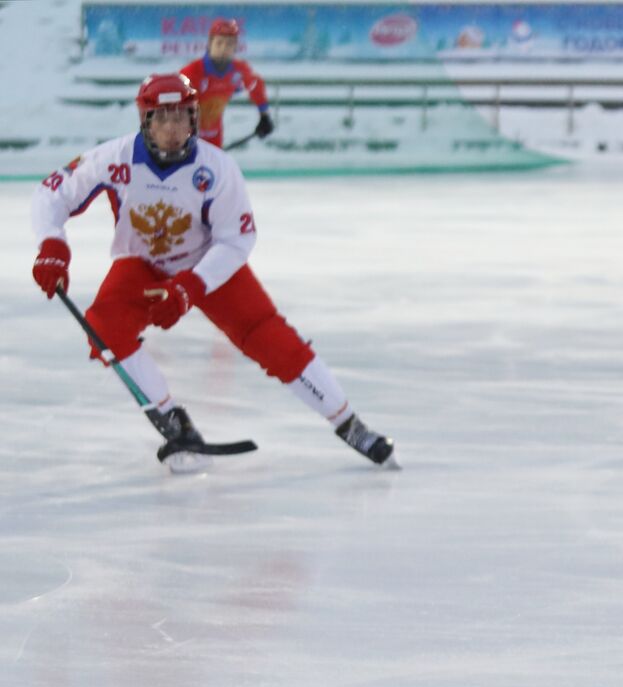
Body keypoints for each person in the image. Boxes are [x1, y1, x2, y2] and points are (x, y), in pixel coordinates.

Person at [30, 73, 394, 473]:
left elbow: (237, 239)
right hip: (142, 266)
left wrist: (190, 287)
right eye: (161, 118)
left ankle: (347, 422)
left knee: (269, 338)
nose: (172, 129)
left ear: (194, 119)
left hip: (206, 265)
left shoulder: (217, 168)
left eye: (182, 117)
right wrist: (52, 244)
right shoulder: (113, 158)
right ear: (145, 121)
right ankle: (174, 422)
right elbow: (52, 192)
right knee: (102, 328)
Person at [179, 18, 274, 148]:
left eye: (229, 44)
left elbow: (255, 86)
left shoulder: (238, 70)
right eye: (219, 43)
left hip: (215, 139)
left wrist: (264, 116)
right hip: (185, 140)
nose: (224, 48)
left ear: (235, 47)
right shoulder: (191, 72)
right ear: (209, 44)